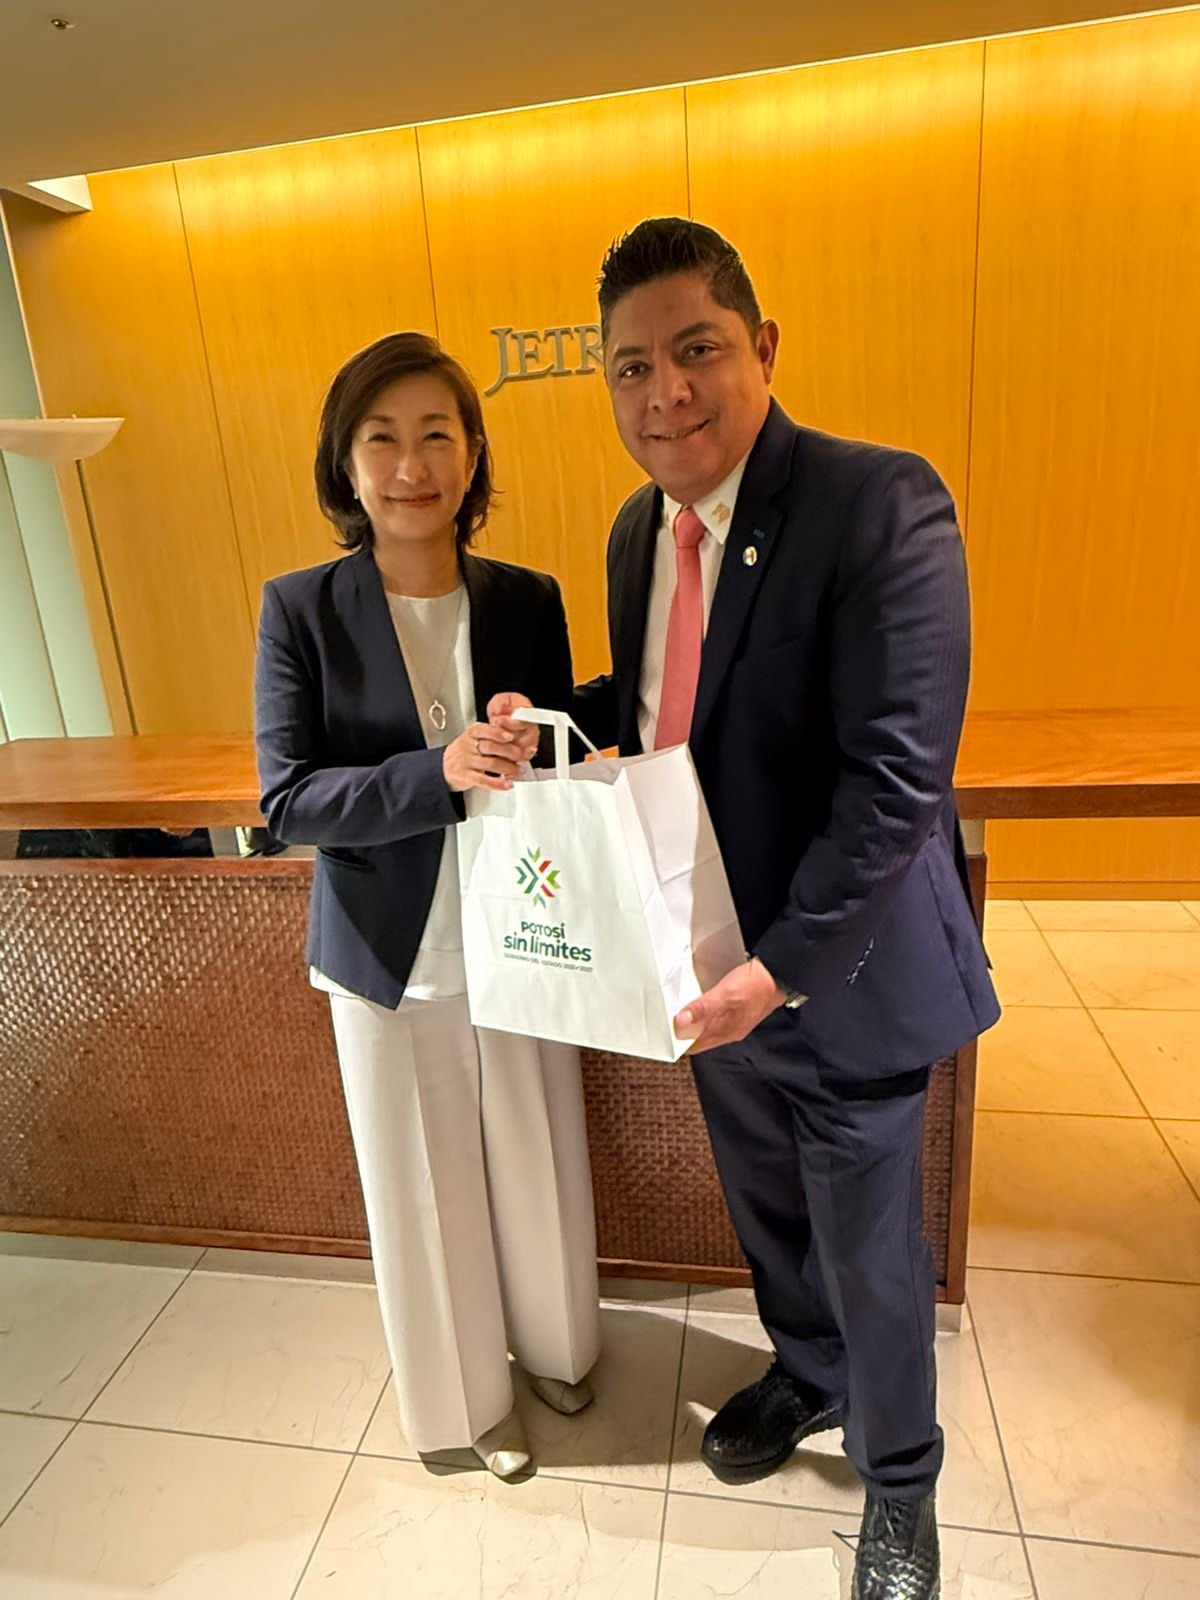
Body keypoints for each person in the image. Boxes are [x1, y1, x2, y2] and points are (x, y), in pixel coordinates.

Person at [570, 219, 1000, 1599]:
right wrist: (551, 719)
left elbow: (896, 779)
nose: (666, 393)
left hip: (840, 968)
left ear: (761, 345)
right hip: (706, 962)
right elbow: (667, 704)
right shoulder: (639, 532)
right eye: (631, 367)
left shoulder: (879, 502)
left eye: (695, 349)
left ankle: (900, 1484)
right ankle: (808, 1372)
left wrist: (782, 967)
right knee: (767, 1208)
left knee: (871, 1245)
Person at [254, 332, 601, 1479]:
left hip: (523, 934)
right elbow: (288, 799)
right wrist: (437, 771)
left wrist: (532, 740)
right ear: (346, 464)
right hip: (387, 954)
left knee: (539, 1152)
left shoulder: (527, 598)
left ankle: (559, 1348)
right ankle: (465, 1405)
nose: (413, 465)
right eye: (384, 439)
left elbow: (559, 767)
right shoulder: (301, 609)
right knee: (424, 1180)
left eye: (438, 435)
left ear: (474, 452)